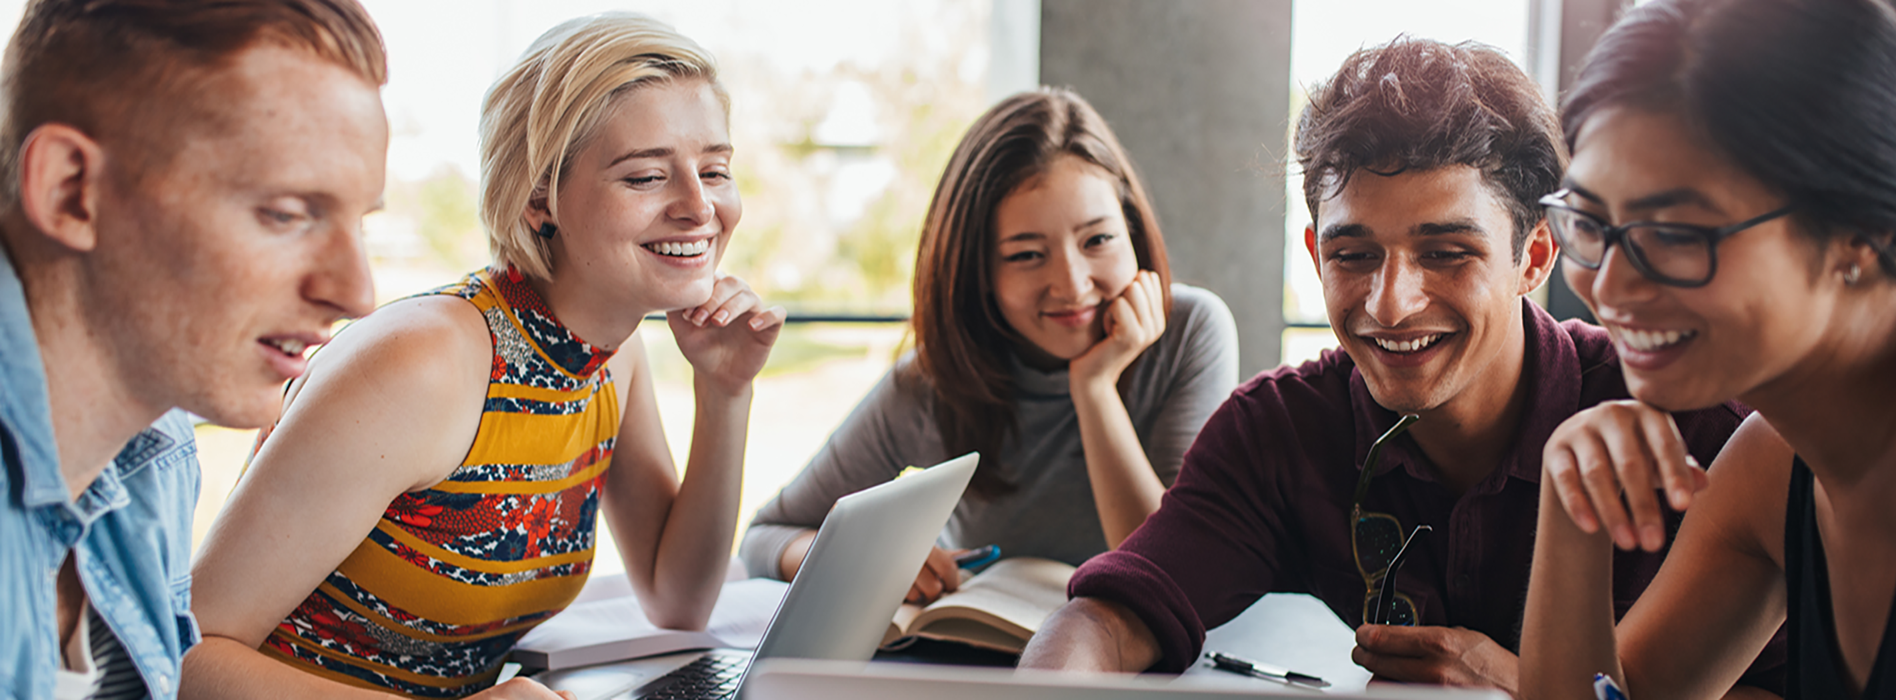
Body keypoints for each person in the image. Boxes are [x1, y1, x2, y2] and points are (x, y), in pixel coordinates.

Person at [1018, 37, 1784, 697]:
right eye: (1354, 256)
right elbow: (1107, 620)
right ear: (1316, 256)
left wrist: (1531, 686)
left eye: (1447, 253)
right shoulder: (1278, 429)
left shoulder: (1689, 426)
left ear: (1534, 257)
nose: (1390, 304)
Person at [181, 13, 782, 700]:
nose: (699, 206)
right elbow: (185, 656)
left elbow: (679, 600)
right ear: (538, 200)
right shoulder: (419, 361)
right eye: (646, 177)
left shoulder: (615, 355)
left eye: (715, 169)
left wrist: (727, 390)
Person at [1519, 0, 1896, 697]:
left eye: (1674, 233)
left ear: (1864, 231)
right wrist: (1571, 506)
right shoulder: (1773, 466)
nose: (1610, 285)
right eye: (1589, 220)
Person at [0, 0, 386, 698]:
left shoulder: (156, 443)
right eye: (288, 214)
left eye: (358, 221)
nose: (357, 294)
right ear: (70, 191)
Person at [739, 87, 1239, 604]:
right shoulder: (933, 384)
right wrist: (866, 562)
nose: (1070, 285)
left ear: (1132, 232)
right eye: (1026, 255)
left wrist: (1094, 387)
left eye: (1098, 240)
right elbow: (764, 539)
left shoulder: (1191, 333)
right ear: (978, 271)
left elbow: (1166, 569)